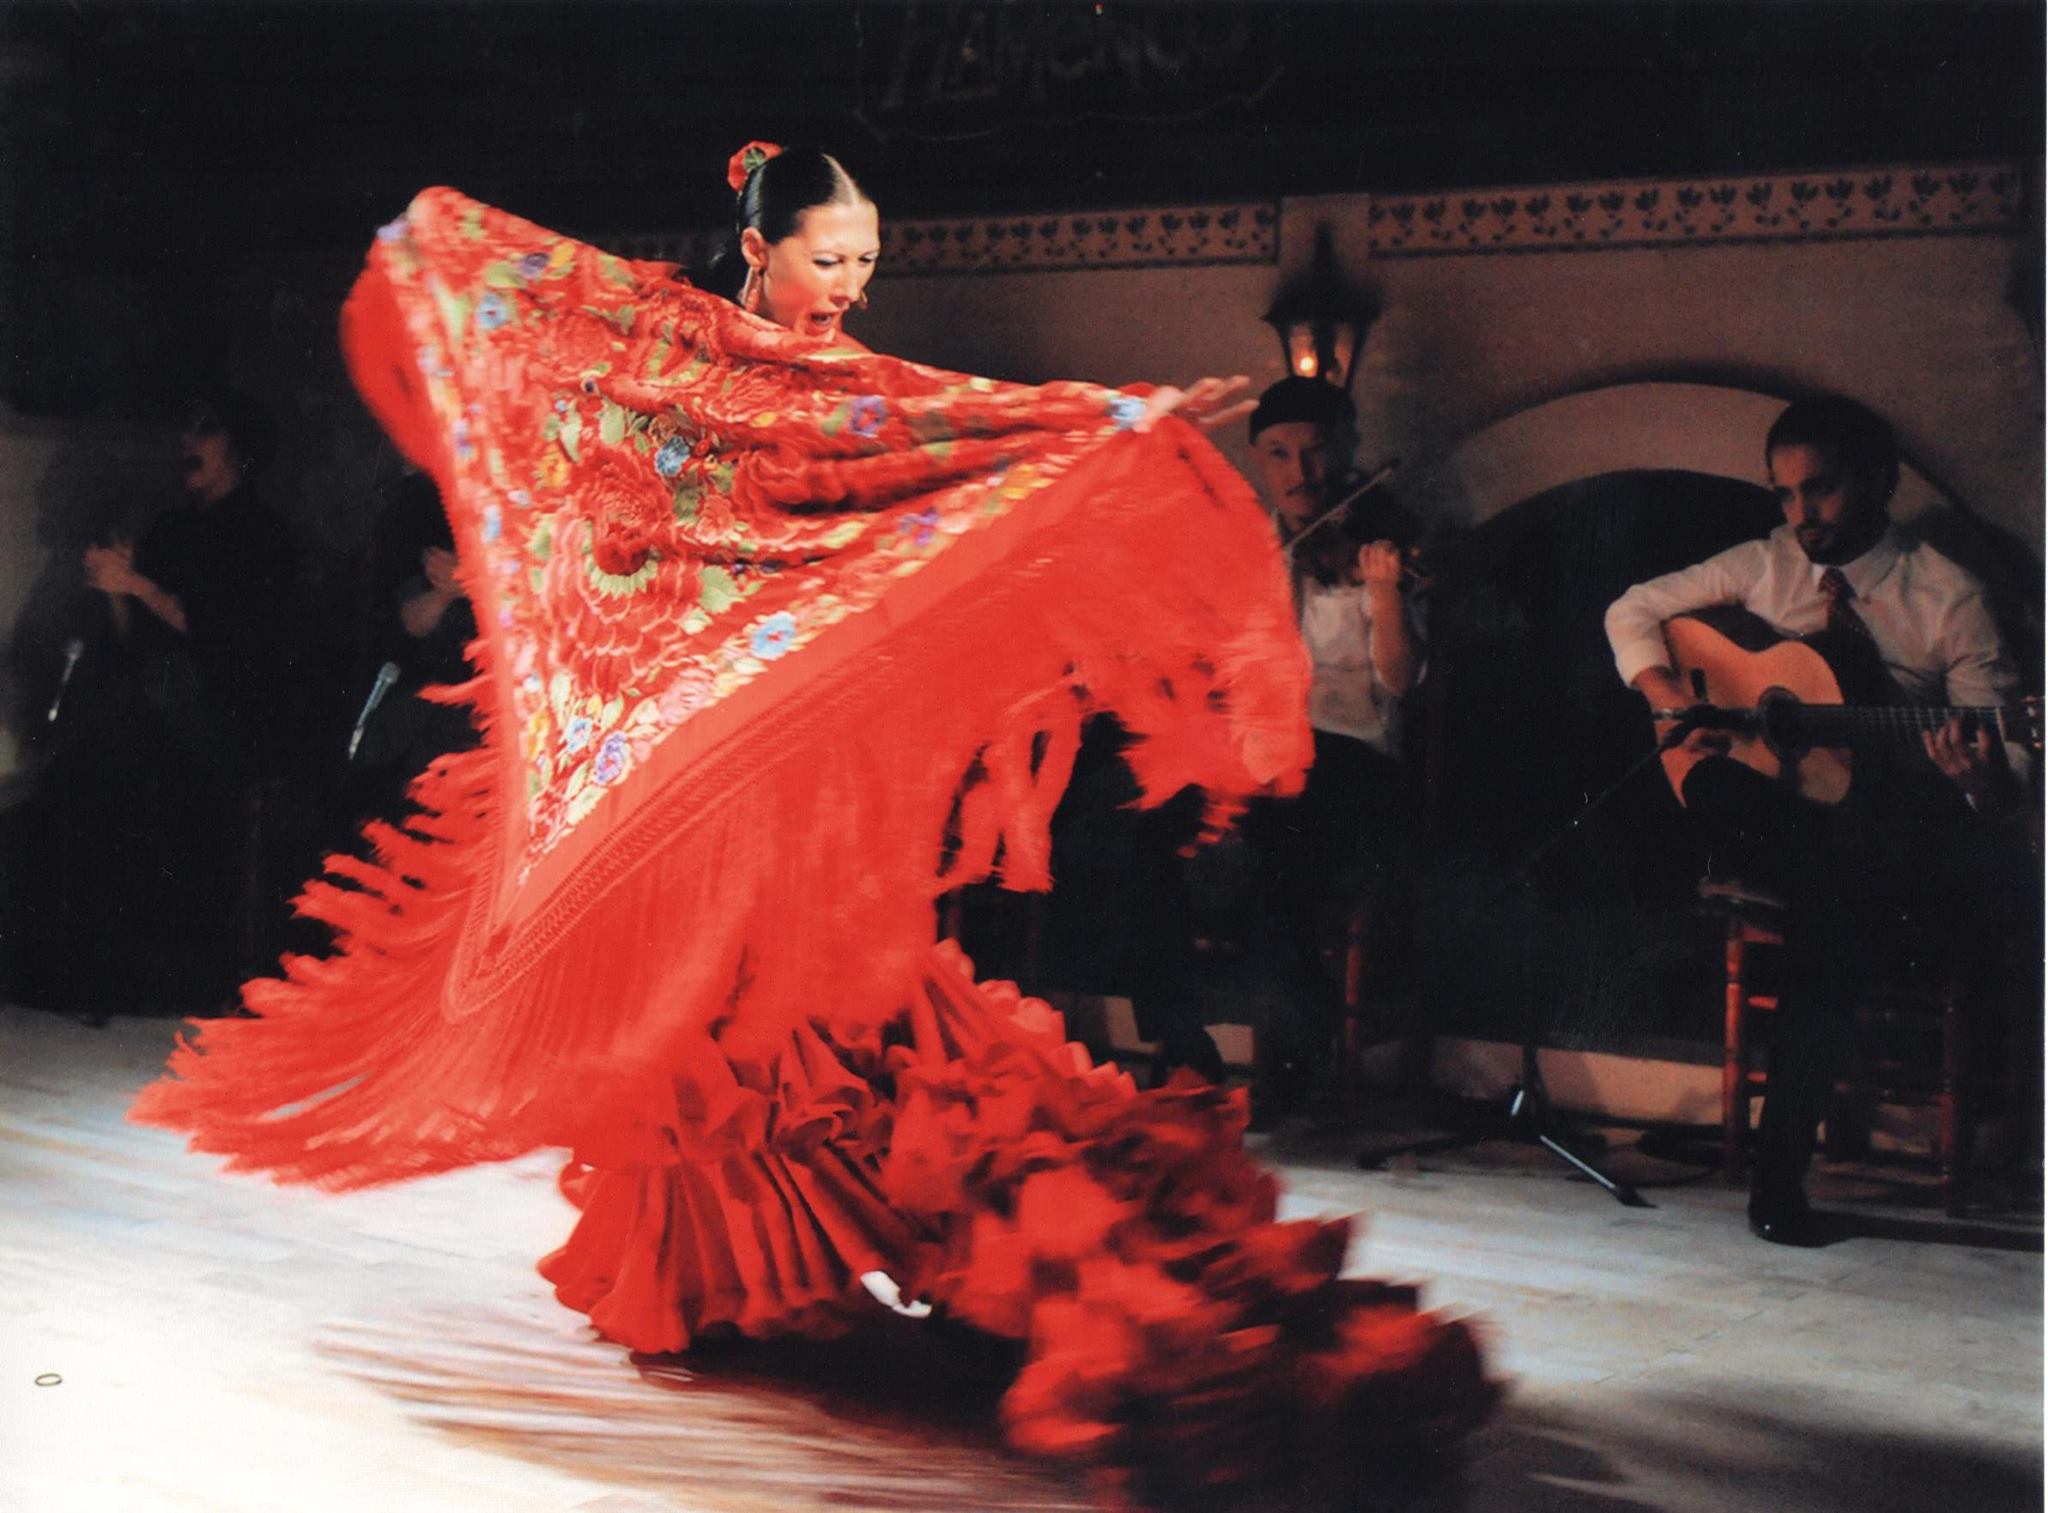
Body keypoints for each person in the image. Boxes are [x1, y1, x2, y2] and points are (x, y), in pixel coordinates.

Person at [135, 145, 1492, 1494]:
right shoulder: (674, 361)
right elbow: (577, 433)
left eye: (866, 264)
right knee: (736, 1038)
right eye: (828, 258)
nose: (848, 285)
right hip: (699, 767)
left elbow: (961, 443)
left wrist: (1106, 428)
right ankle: (778, 1275)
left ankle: (1027, 1273)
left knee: (831, 1040)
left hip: (784, 791)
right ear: (758, 247)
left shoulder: (843, 388)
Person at [1604, 394, 2028, 1245]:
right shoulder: (1765, 563)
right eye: (1786, 493)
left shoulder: (1950, 599)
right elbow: (1632, 607)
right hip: (1776, 817)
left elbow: (2009, 768)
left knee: (1829, 910)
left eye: (1821, 489)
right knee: (1746, 815)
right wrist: (1666, 695)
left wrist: (1978, 779)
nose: (1801, 514)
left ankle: (1777, 1175)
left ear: (1881, 481)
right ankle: (1776, 1177)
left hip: (1885, 830)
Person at [1239, 377, 1423, 1113]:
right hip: (1268, 758)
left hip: (1354, 760)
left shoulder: (1374, 543)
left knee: (1275, 849)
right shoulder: (1247, 547)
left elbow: (1400, 681)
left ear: (1344, 454)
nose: (1300, 473)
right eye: (1279, 455)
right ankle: (1188, 1043)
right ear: (1259, 462)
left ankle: (1294, 1062)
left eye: (1316, 452)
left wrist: (1384, 594)